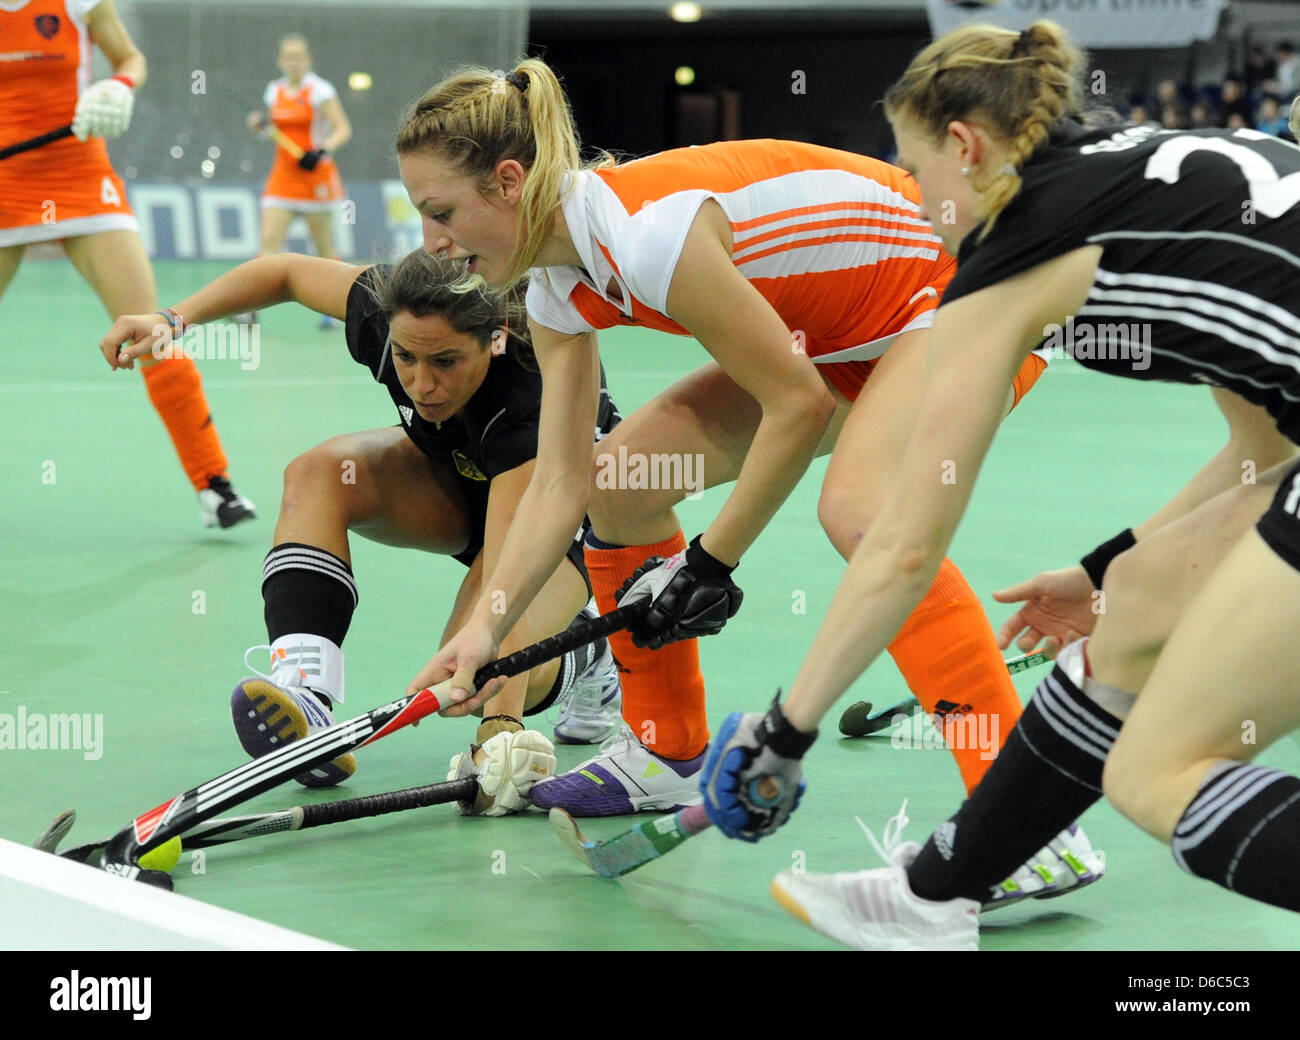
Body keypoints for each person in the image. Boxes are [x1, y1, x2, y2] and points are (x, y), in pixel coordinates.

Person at [395, 60, 1101, 902]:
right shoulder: (554, 286)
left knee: (860, 514)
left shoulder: (648, 233)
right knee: (621, 484)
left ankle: (1027, 824)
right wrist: (487, 632)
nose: (433, 241)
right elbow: (562, 482)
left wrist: (710, 561)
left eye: (441, 213)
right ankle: (665, 750)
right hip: (842, 342)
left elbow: (793, 406)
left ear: (509, 183)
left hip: (965, 290)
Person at [696, 20, 1300, 951]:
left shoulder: (1013, 254)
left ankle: (934, 897)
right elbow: (1263, 456)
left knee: (1156, 772)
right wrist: (1105, 570)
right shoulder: (1152, 168)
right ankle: (934, 896)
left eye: (914, 166)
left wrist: (785, 729)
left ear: (967, 148)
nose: (913, 191)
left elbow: (902, 547)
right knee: (1136, 604)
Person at [97, 248, 624, 802]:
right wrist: (171, 319)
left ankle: (590, 653)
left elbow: (502, 577)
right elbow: (285, 272)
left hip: (561, 522)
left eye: (445, 362)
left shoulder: (527, 388)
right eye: (406, 359)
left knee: (472, 669)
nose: (422, 385)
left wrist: (500, 730)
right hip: (457, 474)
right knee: (318, 474)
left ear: (492, 339)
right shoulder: (392, 313)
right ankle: (306, 698)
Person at [1, 0, 254, 528]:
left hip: (80, 176)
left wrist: (118, 85)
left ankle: (213, 484)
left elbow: (130, 58)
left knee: (151, 332)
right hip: (4, 184)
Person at [244, 34, 352, 329]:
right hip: (282, 178)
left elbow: (343, 129)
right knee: (267, 244)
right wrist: (260, 126)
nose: (294, 62)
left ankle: (339, 308)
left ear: (308, 60)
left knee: (323, 249)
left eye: (299, 57)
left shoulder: (320, 91)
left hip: (315, 177)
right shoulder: (274, 91)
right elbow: (273, 130)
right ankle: (249, 309)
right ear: (281, 60)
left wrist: (321, 151)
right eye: (288, 57)